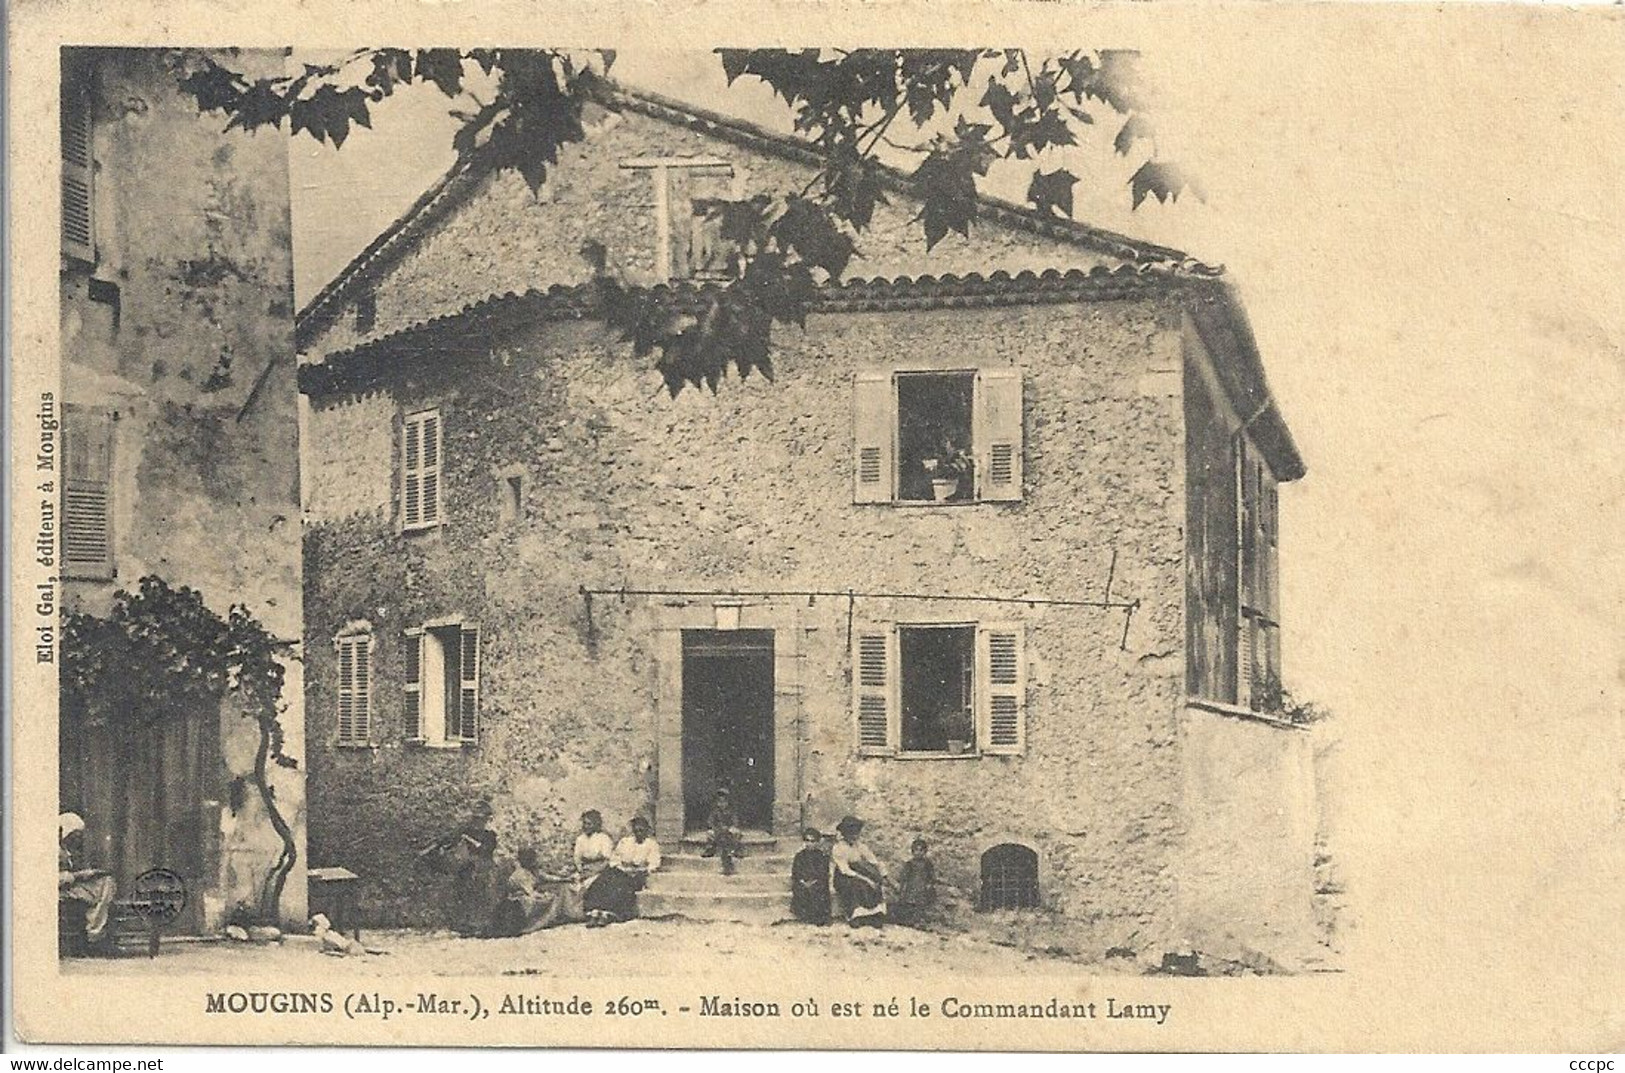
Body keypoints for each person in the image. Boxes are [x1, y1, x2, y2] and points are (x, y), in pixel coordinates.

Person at [584, 816, 662, 926]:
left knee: (620, 886)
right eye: (636, 830)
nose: (638, 833)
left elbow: (654, 863)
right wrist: (621, 867)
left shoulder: (651, 844)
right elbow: (615, 857)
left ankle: (608, 914)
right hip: (622, 870)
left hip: (637, 874)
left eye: (641, 830)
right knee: (603, 880)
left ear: (647, 831)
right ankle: (595, 912)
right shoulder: (625, 842)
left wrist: (641, 869)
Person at [58, 812, 116, 953]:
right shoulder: (55, 850)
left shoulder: (67, 851)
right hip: (60, 891)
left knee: (107, 882)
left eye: (79, 836)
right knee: (104, 889)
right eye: (75, 835)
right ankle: (95, 935)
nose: (78, 839)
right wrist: (80, 875)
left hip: (70, 887)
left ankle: (96, 932)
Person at [493, 847, 576, 935]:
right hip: (520, 901)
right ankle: (540, 921)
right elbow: (530, 892)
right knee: (545, 900)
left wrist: (565, 879)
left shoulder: (533, 871)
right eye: (531, 859)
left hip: (529, 896)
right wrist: (544, 895)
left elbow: (548, 877)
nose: (534, 861)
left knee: (559, 889)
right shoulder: (520, 874)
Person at [830, 816, 887, 927]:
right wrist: (866, 879)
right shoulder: (838, 848)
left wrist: (882, 874)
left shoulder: (860, 846)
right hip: (844, 876)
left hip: (858, 871)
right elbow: (845, 869)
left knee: (875, 881)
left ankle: (874, 915)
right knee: (856, 885)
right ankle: (855, 916)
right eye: (850, 833)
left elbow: (872, 860)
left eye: (856, 833)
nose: (854, 836)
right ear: (844, 834)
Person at [573, 810, 615, 917]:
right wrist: (582, 871)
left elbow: (606, 860)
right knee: (573, 886)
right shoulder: (580, 839)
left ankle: (592, 911)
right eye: (584, 823)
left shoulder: (603, 839)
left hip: (599, 870)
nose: (585, 826)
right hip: (585, 870)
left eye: (589, 824)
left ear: (596, 825)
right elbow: (577, 859)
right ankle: (575, 912)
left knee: (591, 885)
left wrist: (593, 870)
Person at [790, 827, 833, 925]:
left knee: (818, 890)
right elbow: (795, 872)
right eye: (807, 841)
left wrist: (813, 882)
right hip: (802, 882)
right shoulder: (799, 856)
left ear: (817, 842)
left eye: (812, 841)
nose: (809, 844)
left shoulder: (822, 856)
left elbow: (823, 873)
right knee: (801, 890)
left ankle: (818, 917)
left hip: (817, 881)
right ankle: (805, 916)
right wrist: (802, 881)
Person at [891, 838, 937, 926]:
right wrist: (901, 886)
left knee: (920, 905)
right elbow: (903, 876)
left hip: (922, 887)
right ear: (912, 851)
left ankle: (918, 920)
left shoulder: (927, 864)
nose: (918, 853)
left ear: (925, 852)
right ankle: (908, 920)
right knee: (909, 904)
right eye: (916, 850)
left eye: (921, 850)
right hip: (911, 887)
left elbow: (931, 876)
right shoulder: (909, 864)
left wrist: (929, 884)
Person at [701, 787, 743, 875]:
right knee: (710, 833)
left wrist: (729, 827)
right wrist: (717, 828)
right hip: (718, 831)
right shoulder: (715, 812)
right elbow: (710, 822)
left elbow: (735, 822)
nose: (722, 804)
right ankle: (710, 848)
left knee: (736, 832)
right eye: (720, 802)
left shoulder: (731, 811)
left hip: (728, 831)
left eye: (724, 802)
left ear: (727, 803)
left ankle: (736, 849)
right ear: (717, 803)